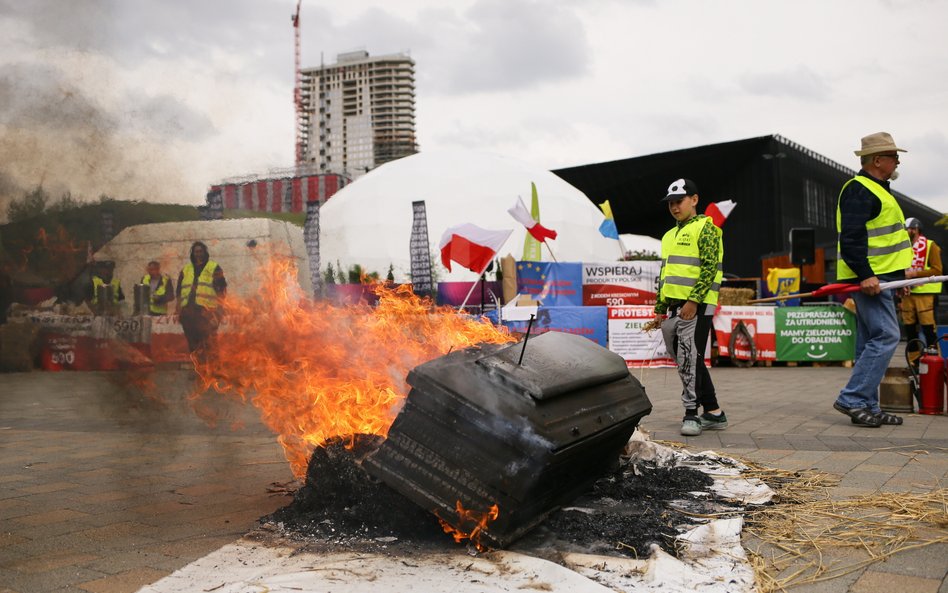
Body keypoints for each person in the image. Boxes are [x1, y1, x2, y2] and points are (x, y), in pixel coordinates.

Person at [833, 132, 913, 427]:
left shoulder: (877, 189)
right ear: (877, 160)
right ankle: (853, 398)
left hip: (880, 278)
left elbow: (887, 241)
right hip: (870, 278)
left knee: (870, 340)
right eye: (893, 156)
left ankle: (867, 404)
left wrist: (898, 279)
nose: (897, 161)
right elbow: (852, 238)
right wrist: (866, 274)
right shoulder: (860, 190)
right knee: (888, 336)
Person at [645, 178, 727, 436]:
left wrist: (693, 301)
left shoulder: (707, 228)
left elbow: (709, 267)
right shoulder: (669, 235)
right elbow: (665, 275)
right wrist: (660, 307)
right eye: (670, 203)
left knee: (690, 360)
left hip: (697, 307)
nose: (674, 207)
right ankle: (714, 412)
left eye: (678, 201)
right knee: (688, 361)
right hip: (673, 308)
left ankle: (691, 414)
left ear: (694, 199)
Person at [901, 217, 942, 359]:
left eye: (908, 229)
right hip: (906, 292)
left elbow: (938, 270)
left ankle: (933, 360)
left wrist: (915, 273)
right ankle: (913, 361)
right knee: (909, 329)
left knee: (928, 329)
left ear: (916, 229)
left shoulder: (931, 245)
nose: (906, 232)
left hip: (926, 293)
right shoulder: (902, 247)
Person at [176, 241, 227, 358]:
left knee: (209, 342)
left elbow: (221, 289)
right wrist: (179, 308)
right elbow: (179, 291)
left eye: (200, 251)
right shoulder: (186, 269)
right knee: (193, 343)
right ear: (192, 254)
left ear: (205, 252)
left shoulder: (214, 267)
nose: (198, 254)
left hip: (206, 311)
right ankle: (199, 371)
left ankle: (213, 370)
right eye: (196, 252)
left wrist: (219, 309)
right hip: (188, 312)